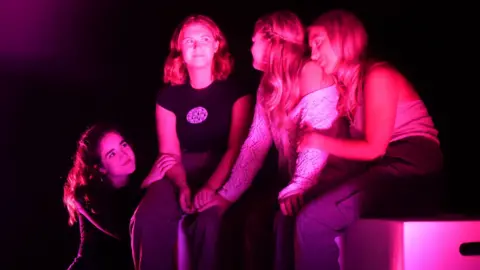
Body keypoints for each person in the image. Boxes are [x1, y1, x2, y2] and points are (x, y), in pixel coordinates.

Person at [271, 9, 442, 270]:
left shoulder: (378, 76)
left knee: (313, 221)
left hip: (411, 170)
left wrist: (317, 140)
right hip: (381, 170)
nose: (313, 54)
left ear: (343, 39)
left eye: (319, 43)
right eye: (311, 46)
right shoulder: (346, 89)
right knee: (292, 213)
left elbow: (373, 148)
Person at [198, 10, 346, 270]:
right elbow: (255, 145)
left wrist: (300, 185)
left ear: (272, 41)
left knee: (273, 223)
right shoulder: (267, 84)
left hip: (326, 177)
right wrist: (227, 197)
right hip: (293, 182)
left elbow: (318, 138)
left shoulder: (309, 70)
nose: (250, 46)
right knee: (243, 219)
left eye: (254, 40)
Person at [129, 14, 253, 270]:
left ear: (217, 45)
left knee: (211, 224)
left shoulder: (237, 93)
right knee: (147, 217)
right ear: (179, 50)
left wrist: (210, 187)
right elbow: (169, 153)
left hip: (224, 168)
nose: (197, 46)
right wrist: (183, 185)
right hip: (180, 169)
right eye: (189, 41)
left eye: (204, 39)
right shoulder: (167, 96)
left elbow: (235, 149)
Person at [63, 124, 142, 270]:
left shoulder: (141, 173)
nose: (124, 154)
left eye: (123, 145)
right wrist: (148, 183)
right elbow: (129, 231)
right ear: (100, 168)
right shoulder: (88, 198)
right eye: (112, 154)